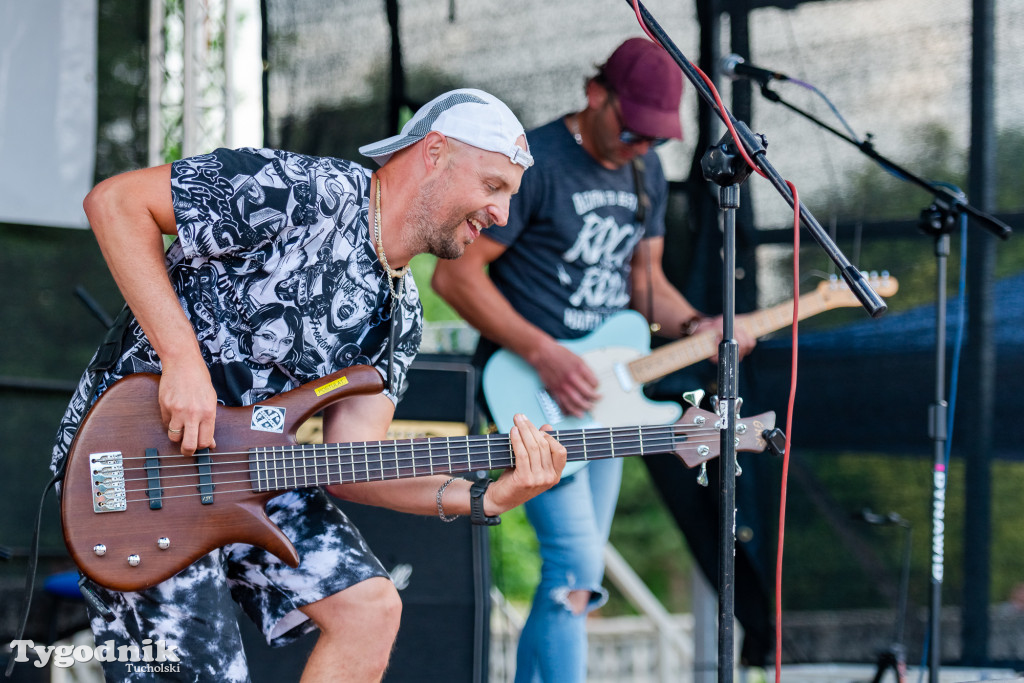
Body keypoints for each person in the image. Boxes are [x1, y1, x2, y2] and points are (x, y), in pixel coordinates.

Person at [51, 88, 566, 682]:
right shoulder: (305, 190)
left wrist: (486, 496)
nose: (502, 214)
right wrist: (182, 359)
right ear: (434, 152)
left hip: (254, 477)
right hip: (137, 463)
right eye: (493, 186)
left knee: (370, 610)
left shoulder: (402, 314)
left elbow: (351, 466)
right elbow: (115, 203)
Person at [432, 40, 756, 682]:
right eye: (633, 131)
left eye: (655, 139)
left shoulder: (645, 172)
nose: (641, 146)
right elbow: (457, 280)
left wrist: (695, 323)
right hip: (528, 389)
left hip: (602, 394)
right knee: (576, 564)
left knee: (574, 575)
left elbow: (646, 284)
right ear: (595, 95)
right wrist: (543, 353)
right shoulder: (538, 162)